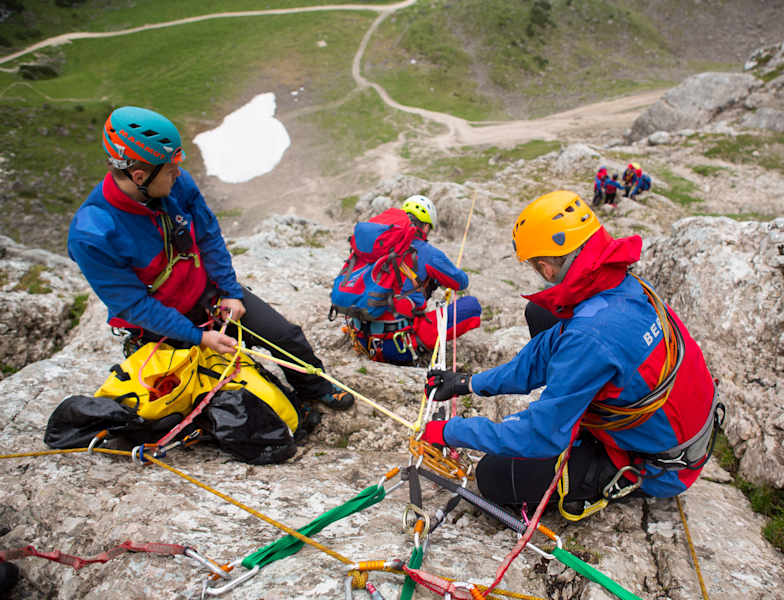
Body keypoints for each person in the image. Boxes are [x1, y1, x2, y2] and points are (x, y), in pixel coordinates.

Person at [420, 191, 721, 518]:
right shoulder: (619, 284)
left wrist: (451, 432)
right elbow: (546, 351)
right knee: (542, 313)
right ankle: (575, 414)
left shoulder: (591, 334)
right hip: (684, 428)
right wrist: (469, 383)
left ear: (547, 268)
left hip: (663, 466)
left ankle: (604, 474)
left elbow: (539, 435)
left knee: (494, 476)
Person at [67, 106, 353, 415]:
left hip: (208, 295)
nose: (178, 174)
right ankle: (288, 405)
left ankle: (316, 388)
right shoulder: (92, 234)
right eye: (169, 169)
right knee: (236, 381)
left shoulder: (178, 186)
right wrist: (198, 337)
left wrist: (229, 290)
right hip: (161, 327)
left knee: (285, 336)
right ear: (139, 176)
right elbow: (133, 305)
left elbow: (207, 236)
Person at [336, 195, 481, 365]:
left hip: (361, 339)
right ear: (426, 227)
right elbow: (461, 282)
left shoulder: (376, 245)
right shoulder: (426, 252)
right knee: (472, 306)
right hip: (398, 347)